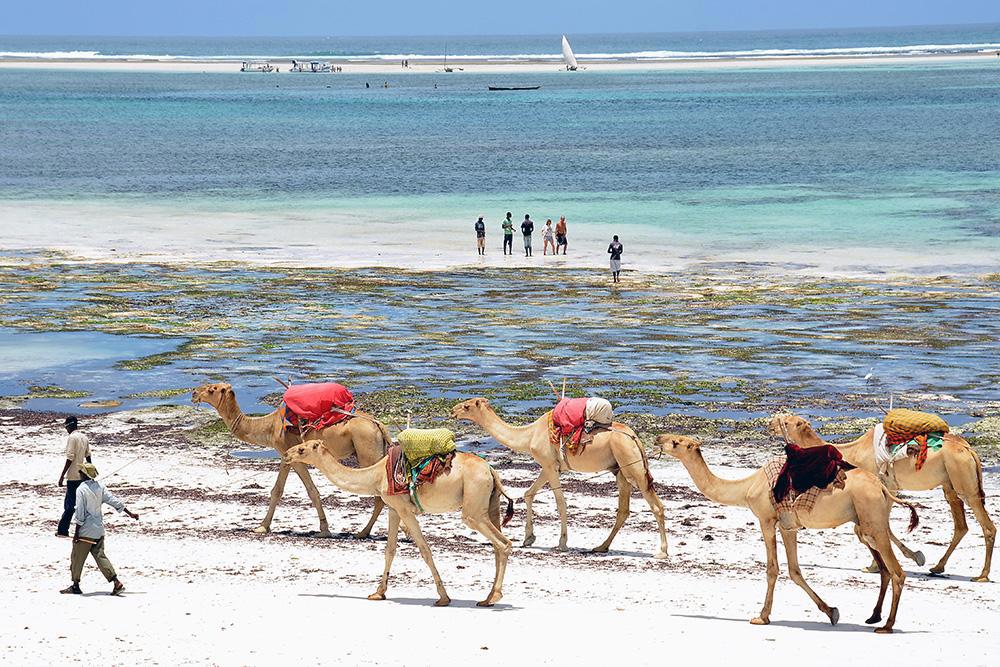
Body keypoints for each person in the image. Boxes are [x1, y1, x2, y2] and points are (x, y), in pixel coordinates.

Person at [61, 462, 139, 595]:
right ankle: (116, 582)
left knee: (77, 558)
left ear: (84, 474)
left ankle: (75, 585)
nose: (79, 473)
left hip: (86, 531)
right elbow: (114, 500)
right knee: (100, 556)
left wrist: (77, 533)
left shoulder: (81, 489)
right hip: (98, 530)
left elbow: (80, 512)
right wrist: (130, 513)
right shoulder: (100, 487)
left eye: (81, 471)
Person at [57, 416, 91, 537]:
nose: (66, 429)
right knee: (82, 504)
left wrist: (62, 475)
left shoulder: (72, 438)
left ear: (69, 426)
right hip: (83, 476)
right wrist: (90, 473)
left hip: (73, 476)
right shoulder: (84, 437)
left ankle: (63, 530)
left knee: (70, 505)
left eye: (66, 427)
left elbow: (70, 457)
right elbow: (88, 456)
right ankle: (84, 530)